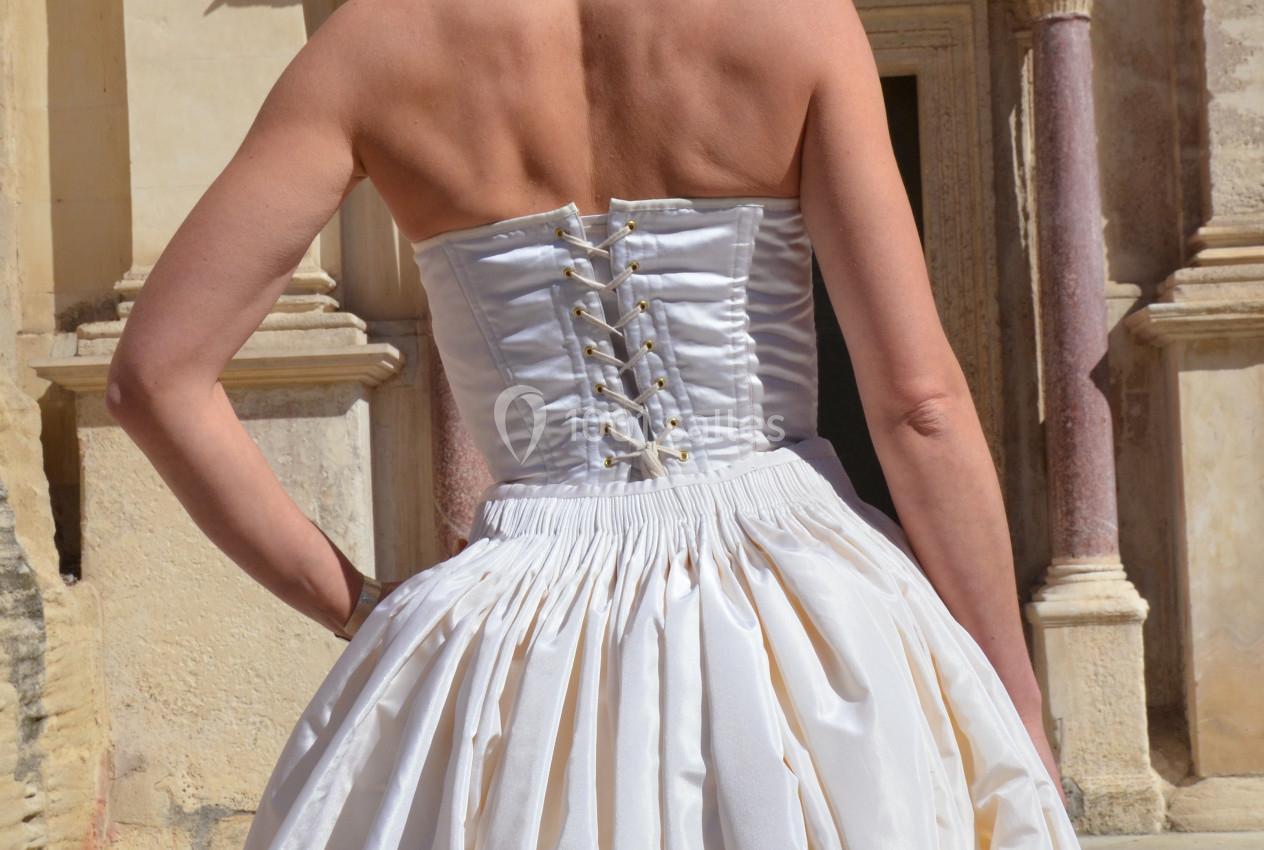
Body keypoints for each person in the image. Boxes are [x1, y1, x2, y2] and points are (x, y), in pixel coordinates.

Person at [105, 0, 1080, 846]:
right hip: (804, 597)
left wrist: (361, 611)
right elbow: (918, 405)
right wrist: (1012, 701)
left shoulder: (370, 45)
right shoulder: (793, 19)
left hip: (523, 616)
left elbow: (153, 380)